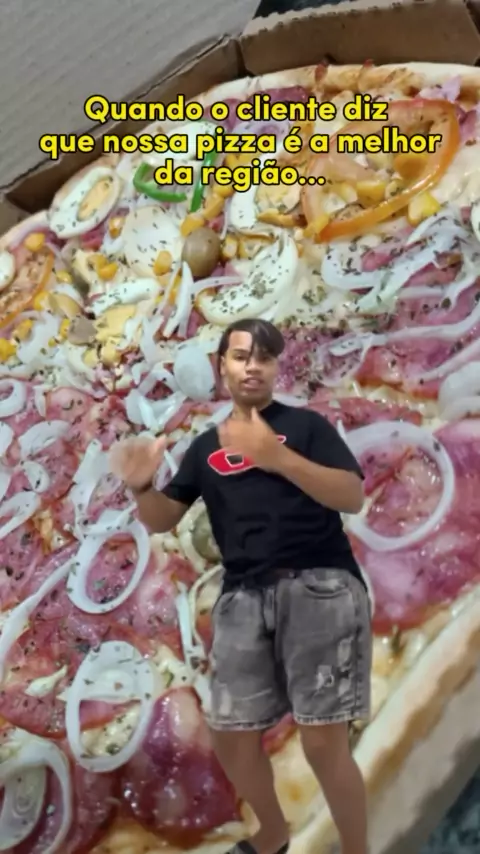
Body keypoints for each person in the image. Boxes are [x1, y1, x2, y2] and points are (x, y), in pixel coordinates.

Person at [110, 317, 372, 854]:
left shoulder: (306, 427)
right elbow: (163, 519)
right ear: (222, 368)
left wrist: (277, 457)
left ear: (275, 368)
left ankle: (356, 847)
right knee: (231, 738)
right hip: (243, 598)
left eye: (263, 357)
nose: (252, 367)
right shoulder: (204, 447)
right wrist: (141, 488)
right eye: (239, 356)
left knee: (323, 742)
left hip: (318, 583)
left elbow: (351, 496)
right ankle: (273, 834)